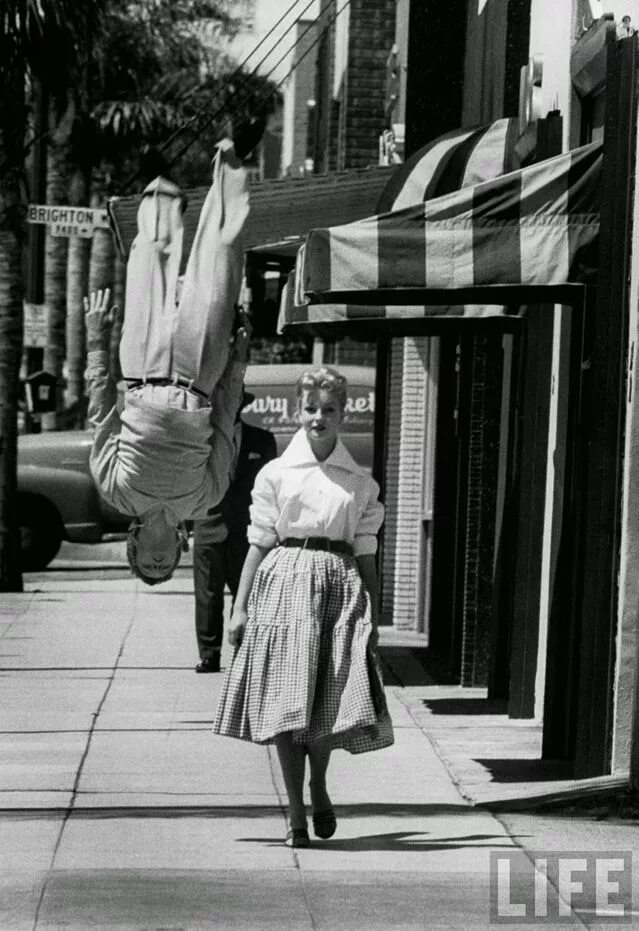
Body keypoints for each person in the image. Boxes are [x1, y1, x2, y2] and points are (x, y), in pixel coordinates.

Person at [213, 366, 394, 848]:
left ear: (343, 414)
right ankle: (296, 813)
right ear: (299, 410)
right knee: (285, 705)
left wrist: (373, 615)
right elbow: (258, 543)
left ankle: (318, 784)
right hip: (283, 586)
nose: (318, 418)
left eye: (329, 410)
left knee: (325, 702)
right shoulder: (275, 474)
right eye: (311, 409)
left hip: (339, 588)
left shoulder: (359, 483)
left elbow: (366, 553)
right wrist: (240, 607)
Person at [84, 120, 265, 586]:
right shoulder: (205, 500)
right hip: (198, 374)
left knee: (153, 253)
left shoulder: (115, 493)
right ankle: (232, 156)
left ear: (134, 548)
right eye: (165, 568)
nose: (160, 562)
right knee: (222, 255)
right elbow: (226, 424)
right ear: (182, 551)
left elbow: (101, 414)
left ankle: (159, 182)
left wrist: (95, 340)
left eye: (149, 565)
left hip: (141, 367)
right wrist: (238, 360)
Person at [193, 397, 277, 673]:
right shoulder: (201, 439)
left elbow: (273, 488)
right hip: (208, 523)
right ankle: (209, 653)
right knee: (207, 593)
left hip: (247, 529)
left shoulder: (263, 440)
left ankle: (242, 649)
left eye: (236, 401)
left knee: (246, 591)